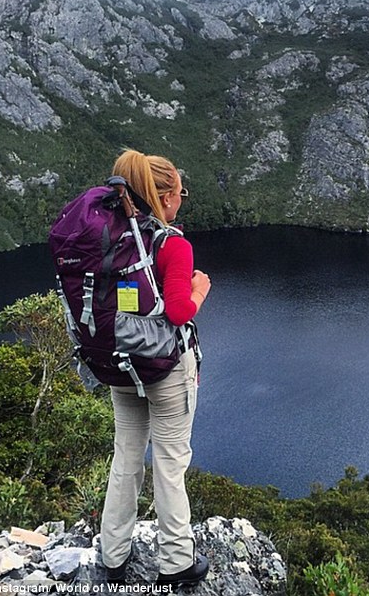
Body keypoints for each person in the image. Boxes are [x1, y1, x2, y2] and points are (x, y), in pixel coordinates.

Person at [99, 149, 211, 588]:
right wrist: (200, 288)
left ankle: (113, 555)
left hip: (121, 365)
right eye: (180, 192)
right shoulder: (171, 245)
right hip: (166, 370)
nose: (182, 199)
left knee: (126, 456)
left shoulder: (114, 241)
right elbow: (180, 311)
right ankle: (177, 563)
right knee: (170, 463)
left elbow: (121, 309)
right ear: (164, 198)